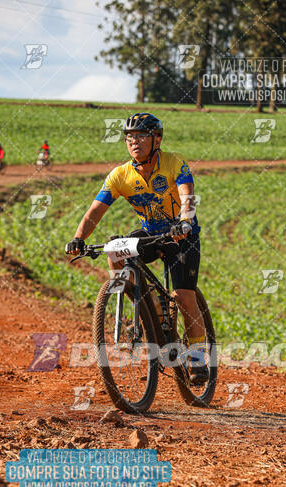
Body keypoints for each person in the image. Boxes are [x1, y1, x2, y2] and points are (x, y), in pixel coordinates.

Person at [65, 112, 208, 384]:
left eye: (141, 136)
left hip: (182, 235)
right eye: (129, 137)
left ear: (157, 139)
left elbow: (187, 197)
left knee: (182, 295)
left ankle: (199, 357)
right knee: (114, 251)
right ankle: (148, 310)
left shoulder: (173, 162)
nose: (134, 142)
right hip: (152, 234)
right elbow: (95, 211)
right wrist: (78, 238)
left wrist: (185, 221)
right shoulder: (120, 175)